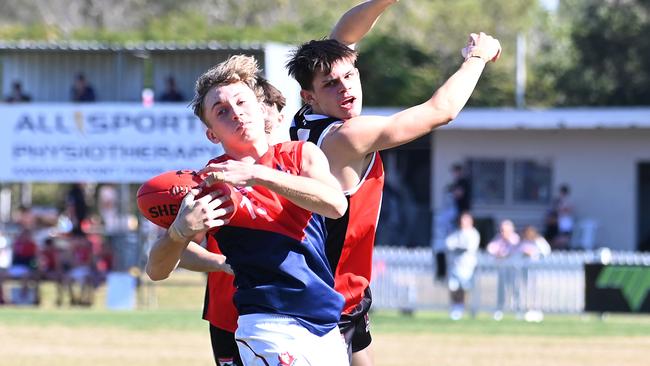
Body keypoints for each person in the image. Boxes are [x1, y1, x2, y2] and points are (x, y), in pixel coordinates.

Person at [287, 25, 501, 365]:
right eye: (331, 84)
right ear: (309, 96)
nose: (346, 88)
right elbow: (440, 111)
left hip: (341, 291)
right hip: (328, 295)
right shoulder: (347, 135)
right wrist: (478, 57)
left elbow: (343, 32)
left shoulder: (304, 121)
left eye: (350, 75)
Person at [146, 55, 349, 366]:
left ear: (259, 106)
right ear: (212, 134)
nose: (237, 114)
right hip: (269, 326)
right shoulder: (209, 183)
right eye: (222, 112)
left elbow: (336, 205)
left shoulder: (301, 155)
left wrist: (258, 175)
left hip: (324, 322)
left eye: (242, 102)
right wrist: (180, 233)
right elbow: (157, 270)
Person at [445, 212, 480, 320]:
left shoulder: (473, 234)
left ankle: (461, 308)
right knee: (453, 287)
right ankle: (455, 307)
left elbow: (467, 248)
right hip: (455, 265)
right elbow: (448, 244)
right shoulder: (457, 232)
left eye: (465, 220)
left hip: (467, 266)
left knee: (464, 288)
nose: (462, 222)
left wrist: (457, 247)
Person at [486, 219, 520, 320]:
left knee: (515, 290)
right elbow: (491, 249)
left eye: (504, 230)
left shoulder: (515, 239)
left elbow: (514, 252)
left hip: (514, 271)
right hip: (502, 270)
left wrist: (503, 255)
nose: (502, 232)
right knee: (501, 291)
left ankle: (517, 310)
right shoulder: (498, 239)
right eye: (501, 230)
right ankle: (499, 310)